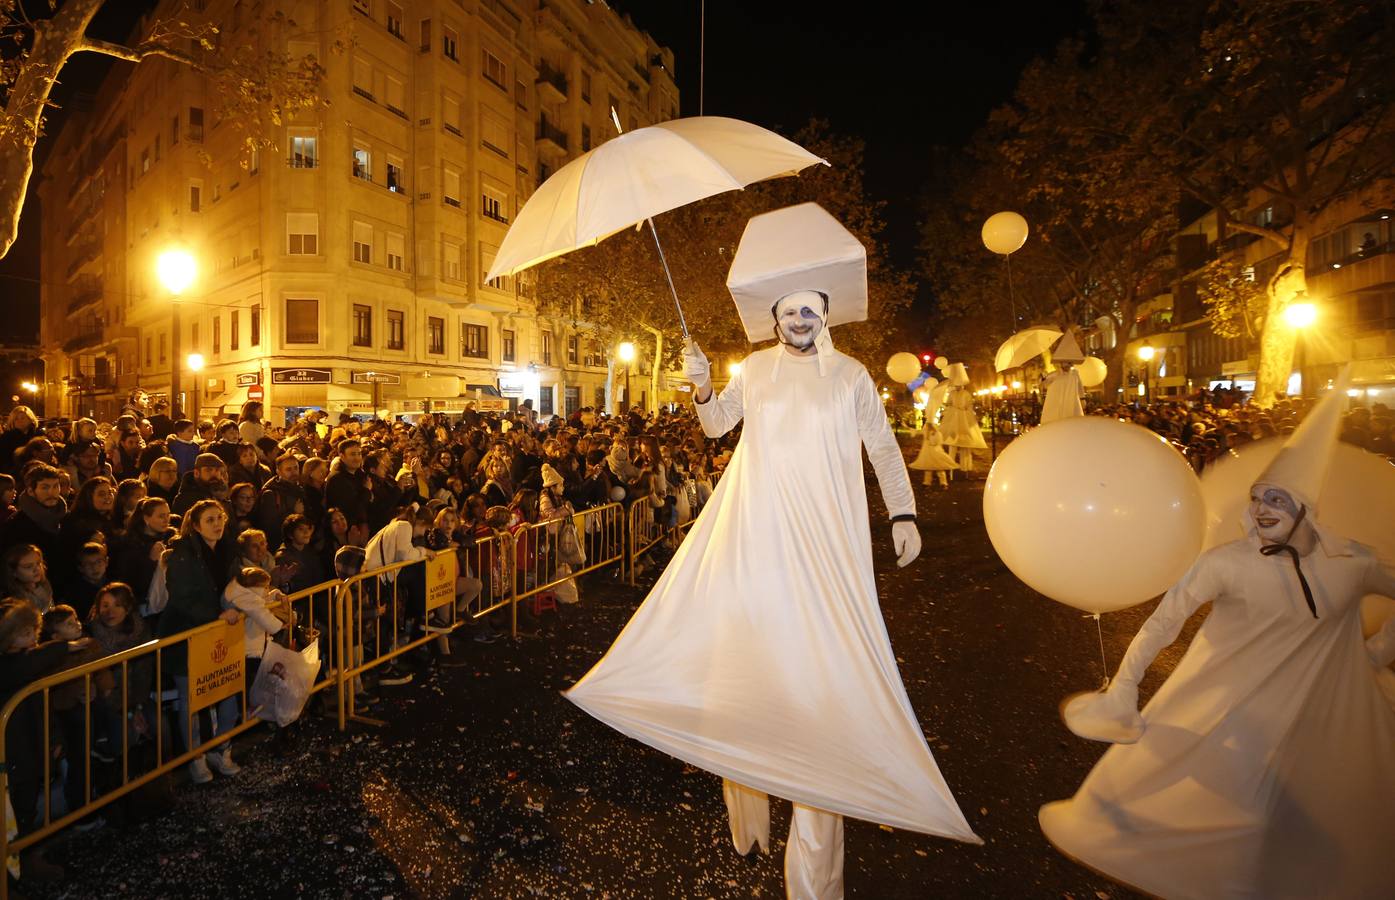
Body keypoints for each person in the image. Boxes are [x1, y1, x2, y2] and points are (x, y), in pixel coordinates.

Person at [566, 203, 978, 900]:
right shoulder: (752, 370)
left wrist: (902, 511)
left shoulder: (851, 377)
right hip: (756, 544)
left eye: (808, 310)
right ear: (775, 317)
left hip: (830, 555)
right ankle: (746, 807)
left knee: (823, 702)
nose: (797, 320)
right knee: (748, 677)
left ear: (824, 313)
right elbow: (717, 426)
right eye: (787, 311)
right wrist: (699, 384)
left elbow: (881, 447)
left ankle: (814, 882)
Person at [1040, 376, 1395, 899]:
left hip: (1325, 714)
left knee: (1327, 823)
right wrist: (1124, 687)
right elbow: (1163, 623)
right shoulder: (1224, 563)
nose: (1261, 508)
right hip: (1232, 711)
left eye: (1277, 497)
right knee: (1228, 806)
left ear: (1306, 508)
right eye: (1257, 497)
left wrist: (1380, 651)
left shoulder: (1354, 563)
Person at [155, 499, 242, 783]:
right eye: (210, 520)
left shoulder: (228, 548)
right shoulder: (182, 553)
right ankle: (196, 756)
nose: (217, 524)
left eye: (220, 518)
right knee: (192, 700)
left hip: (221, 631)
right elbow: (181, 596)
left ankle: (222, 748)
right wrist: (216, 614)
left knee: (228, 690)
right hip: (188, 634)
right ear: (195, 525)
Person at [908, 376, 957, 489]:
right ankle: (927, 482)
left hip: (935, 449)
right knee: (928, 466)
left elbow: (937, 439)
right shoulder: (927, 426)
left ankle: (943, 482)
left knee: (939, 465)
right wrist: (914, 430)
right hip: (927, 450)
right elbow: (923, 433)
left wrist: (932, 433)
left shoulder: (934, 427)